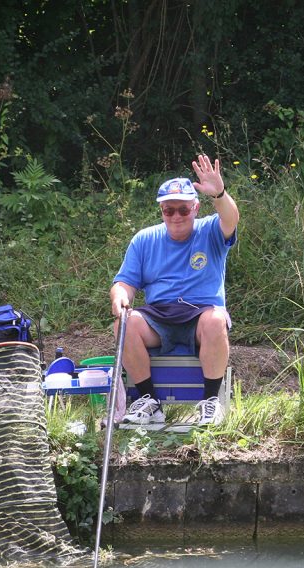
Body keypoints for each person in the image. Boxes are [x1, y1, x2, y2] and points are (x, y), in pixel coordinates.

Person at [109, 154, 240, 426]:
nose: (176, 216)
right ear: (161, 211)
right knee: (124, 322)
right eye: (169, 210)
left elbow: (230, 218)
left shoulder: (210, 230)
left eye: (183, 209)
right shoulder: (144, 239)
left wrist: (220, 193)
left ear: (195, 208)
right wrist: (120, 296)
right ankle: (148, 401)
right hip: (159, 316)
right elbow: (124, 283)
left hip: (200, 313)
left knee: (217, 320)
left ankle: (210, 402)